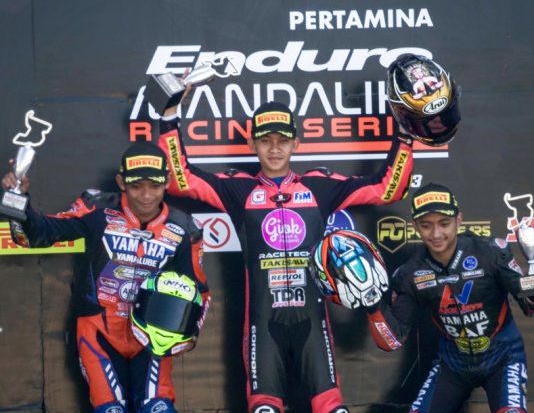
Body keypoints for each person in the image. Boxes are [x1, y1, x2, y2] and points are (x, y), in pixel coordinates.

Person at [157, 99, 414, 413]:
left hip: (313, 322)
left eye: (283, 140)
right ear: (252, 145)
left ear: (296, 143)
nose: (275, 148)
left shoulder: (319, 186)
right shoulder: (239, 190)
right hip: (263, 324)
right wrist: (169, 117)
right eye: (266, 140)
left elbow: (388, 189)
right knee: (263, 408)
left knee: (332, 407)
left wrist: (405, 135)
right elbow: (180, 179)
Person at [1, 141, 209, 413]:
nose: (146, 195)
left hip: (154, 337)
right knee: (110, 409)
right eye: (136, 186)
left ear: (167, 182)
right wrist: (19, 200)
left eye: (155, 186)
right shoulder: (96, 208)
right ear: (121, 182)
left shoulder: (185, 228)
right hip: (98, 332)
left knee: (157, 407)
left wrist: (190, 334)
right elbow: (38, 235)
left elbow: (199, 291)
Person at [366, 182, 533, 413]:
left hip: (503, 355)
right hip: (452, 361)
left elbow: (529, 305)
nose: (436, 234)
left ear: (458, 220)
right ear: (415, 226)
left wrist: (532, 274)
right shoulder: (411, 273)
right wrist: (371, 302)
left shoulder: (490, 252)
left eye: (444, 223)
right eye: (426, 225)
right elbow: (392, 340)